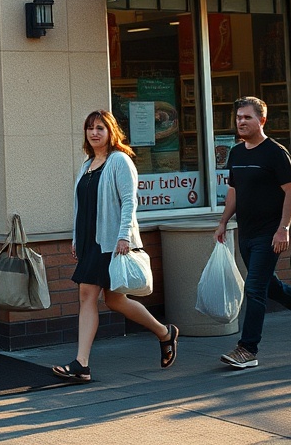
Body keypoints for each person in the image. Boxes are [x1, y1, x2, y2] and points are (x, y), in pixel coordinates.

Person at [52, 109, 179, 383]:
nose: (94, 133)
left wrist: (124, 237)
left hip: (111, 242)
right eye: (90, 128)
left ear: (111, 132)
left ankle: (81, 364)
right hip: (89, 241)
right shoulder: (87, 165)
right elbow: (81, 206)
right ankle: (164, 332)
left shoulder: (119, 160)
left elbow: (130, 201)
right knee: (113, 300)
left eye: (100, 128)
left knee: (88, 294)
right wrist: (76, 238)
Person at [214, 96, 291, 369]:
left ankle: (247, 349)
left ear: (262, 120)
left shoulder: (275, 152)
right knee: (270, 286)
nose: (241, 122)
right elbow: (234, 191)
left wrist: (283, 229)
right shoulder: (236, 153)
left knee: (254, 288)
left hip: (269, 233)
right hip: (246, 233)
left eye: (247, 117)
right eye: (238, 117)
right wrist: (223, 222)